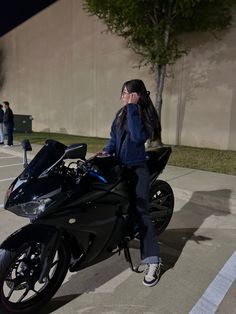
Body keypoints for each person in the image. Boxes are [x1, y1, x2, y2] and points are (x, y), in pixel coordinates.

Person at [103, 79, 162, 287]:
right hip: (119, 168)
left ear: (136, 95)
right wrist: (106, 150)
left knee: (141, 212)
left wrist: (133, 107)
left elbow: (138, 138)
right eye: (122, 94)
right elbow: (113, 138)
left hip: (137, 169)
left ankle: (153, 260)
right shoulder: (121, 114)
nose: (123, 97)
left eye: (127, 93)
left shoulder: (144, 114)